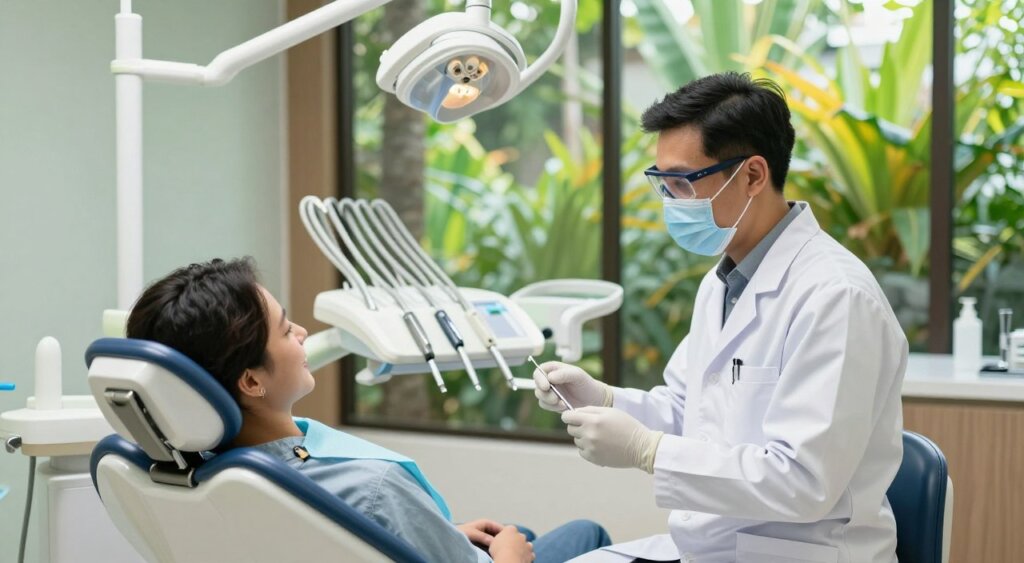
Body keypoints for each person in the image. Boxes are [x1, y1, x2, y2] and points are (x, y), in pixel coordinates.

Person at [533, 72, 906, 563]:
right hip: (716, 547)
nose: (671, 201)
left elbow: (804, 482)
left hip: (801, 553)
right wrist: (607, 400)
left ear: (753, 175)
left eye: (683, 182)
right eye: (661, 183)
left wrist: (649, 450)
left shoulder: (835, 296)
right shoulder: (724, 281)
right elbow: (696, 414)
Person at [126, 257, 611, 563]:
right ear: (251, 380)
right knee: (581, 533)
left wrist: (433, 534)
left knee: (513, 530)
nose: (300, 334)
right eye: (285, 327)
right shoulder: (371, 486)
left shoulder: (197, 476)